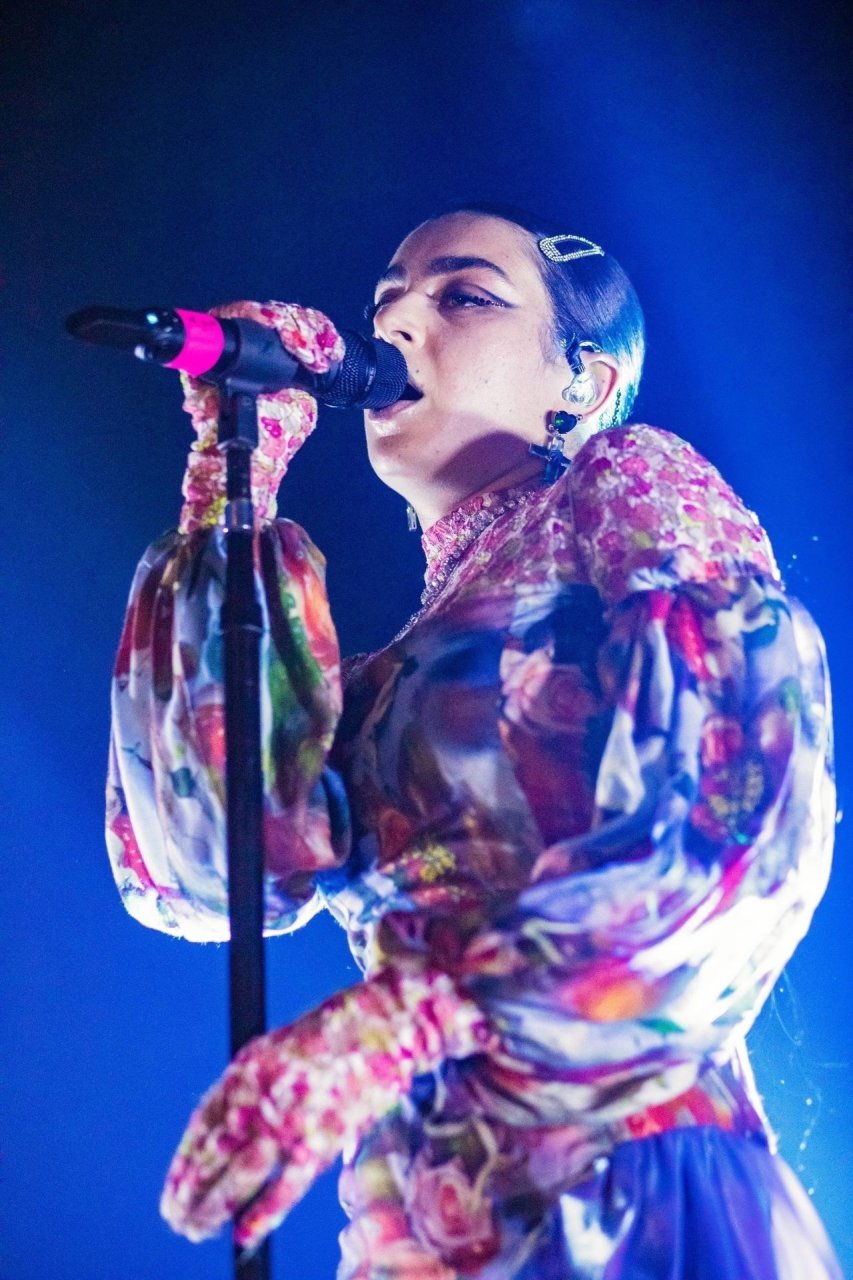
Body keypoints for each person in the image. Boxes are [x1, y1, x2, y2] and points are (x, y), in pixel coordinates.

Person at [106, 204, 841, 1278]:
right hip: (424, 1220)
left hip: (611, 1195)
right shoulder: (382, 680)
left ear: (580, 384)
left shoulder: (629, 484)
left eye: (463, 296)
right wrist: (234, 479)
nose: (396, 321)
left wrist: (406, 1017)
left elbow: (737, 813)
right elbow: (207, 871)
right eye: (384, 303)